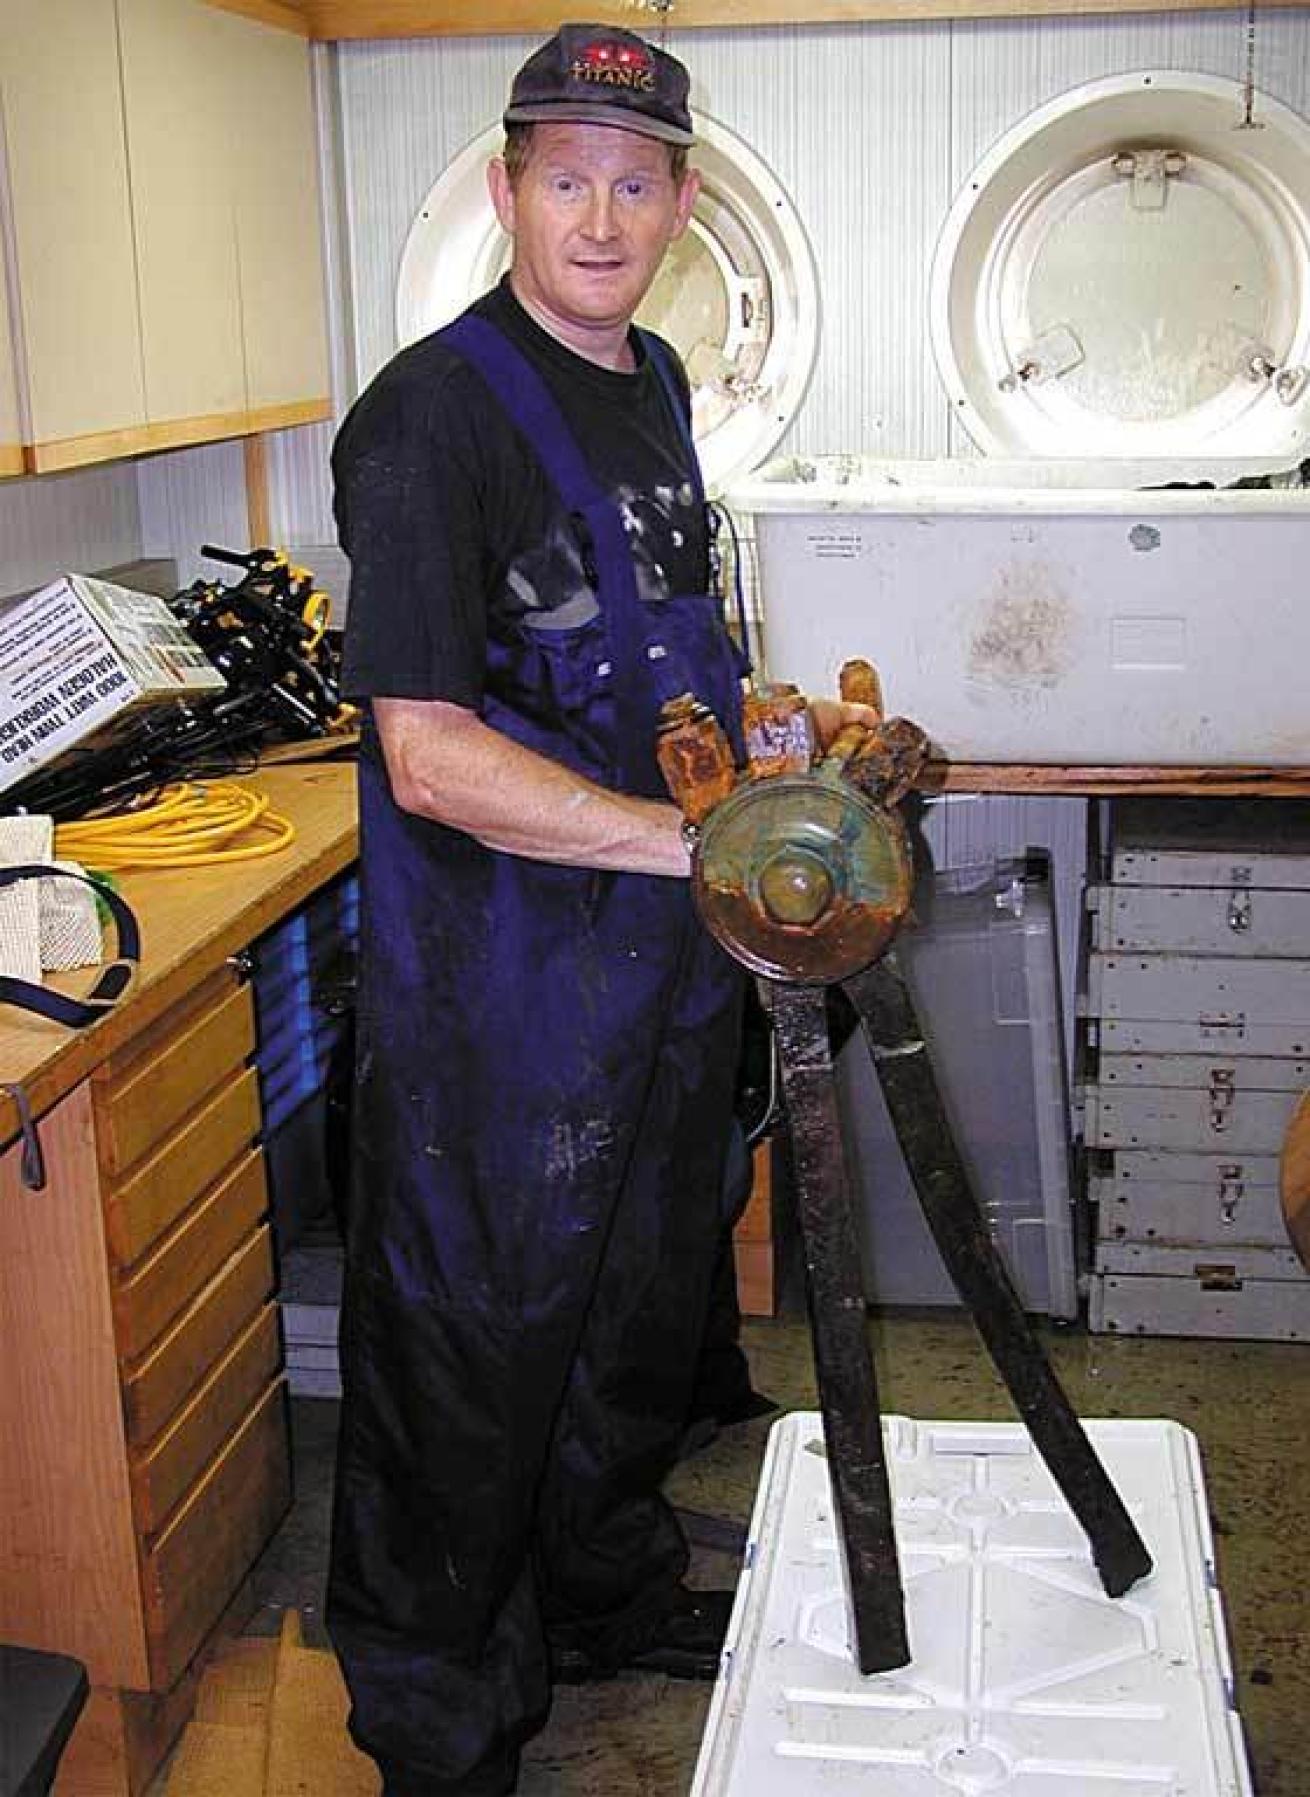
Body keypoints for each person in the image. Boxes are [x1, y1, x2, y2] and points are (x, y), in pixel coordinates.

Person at [326, 26, 869, 1795]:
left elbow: (650, 654)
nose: (599, 213)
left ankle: (604, 1586)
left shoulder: (653, 383)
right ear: (503, 190)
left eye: (636, 182)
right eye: (564, 175)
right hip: (495, 990)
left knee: (636, 1304)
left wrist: (766, 763)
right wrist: (690, 848)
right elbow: (425, 753)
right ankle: (439, 1713)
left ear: (682, 208)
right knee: (474, 1347)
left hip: (650, 970)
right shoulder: (425, 419)